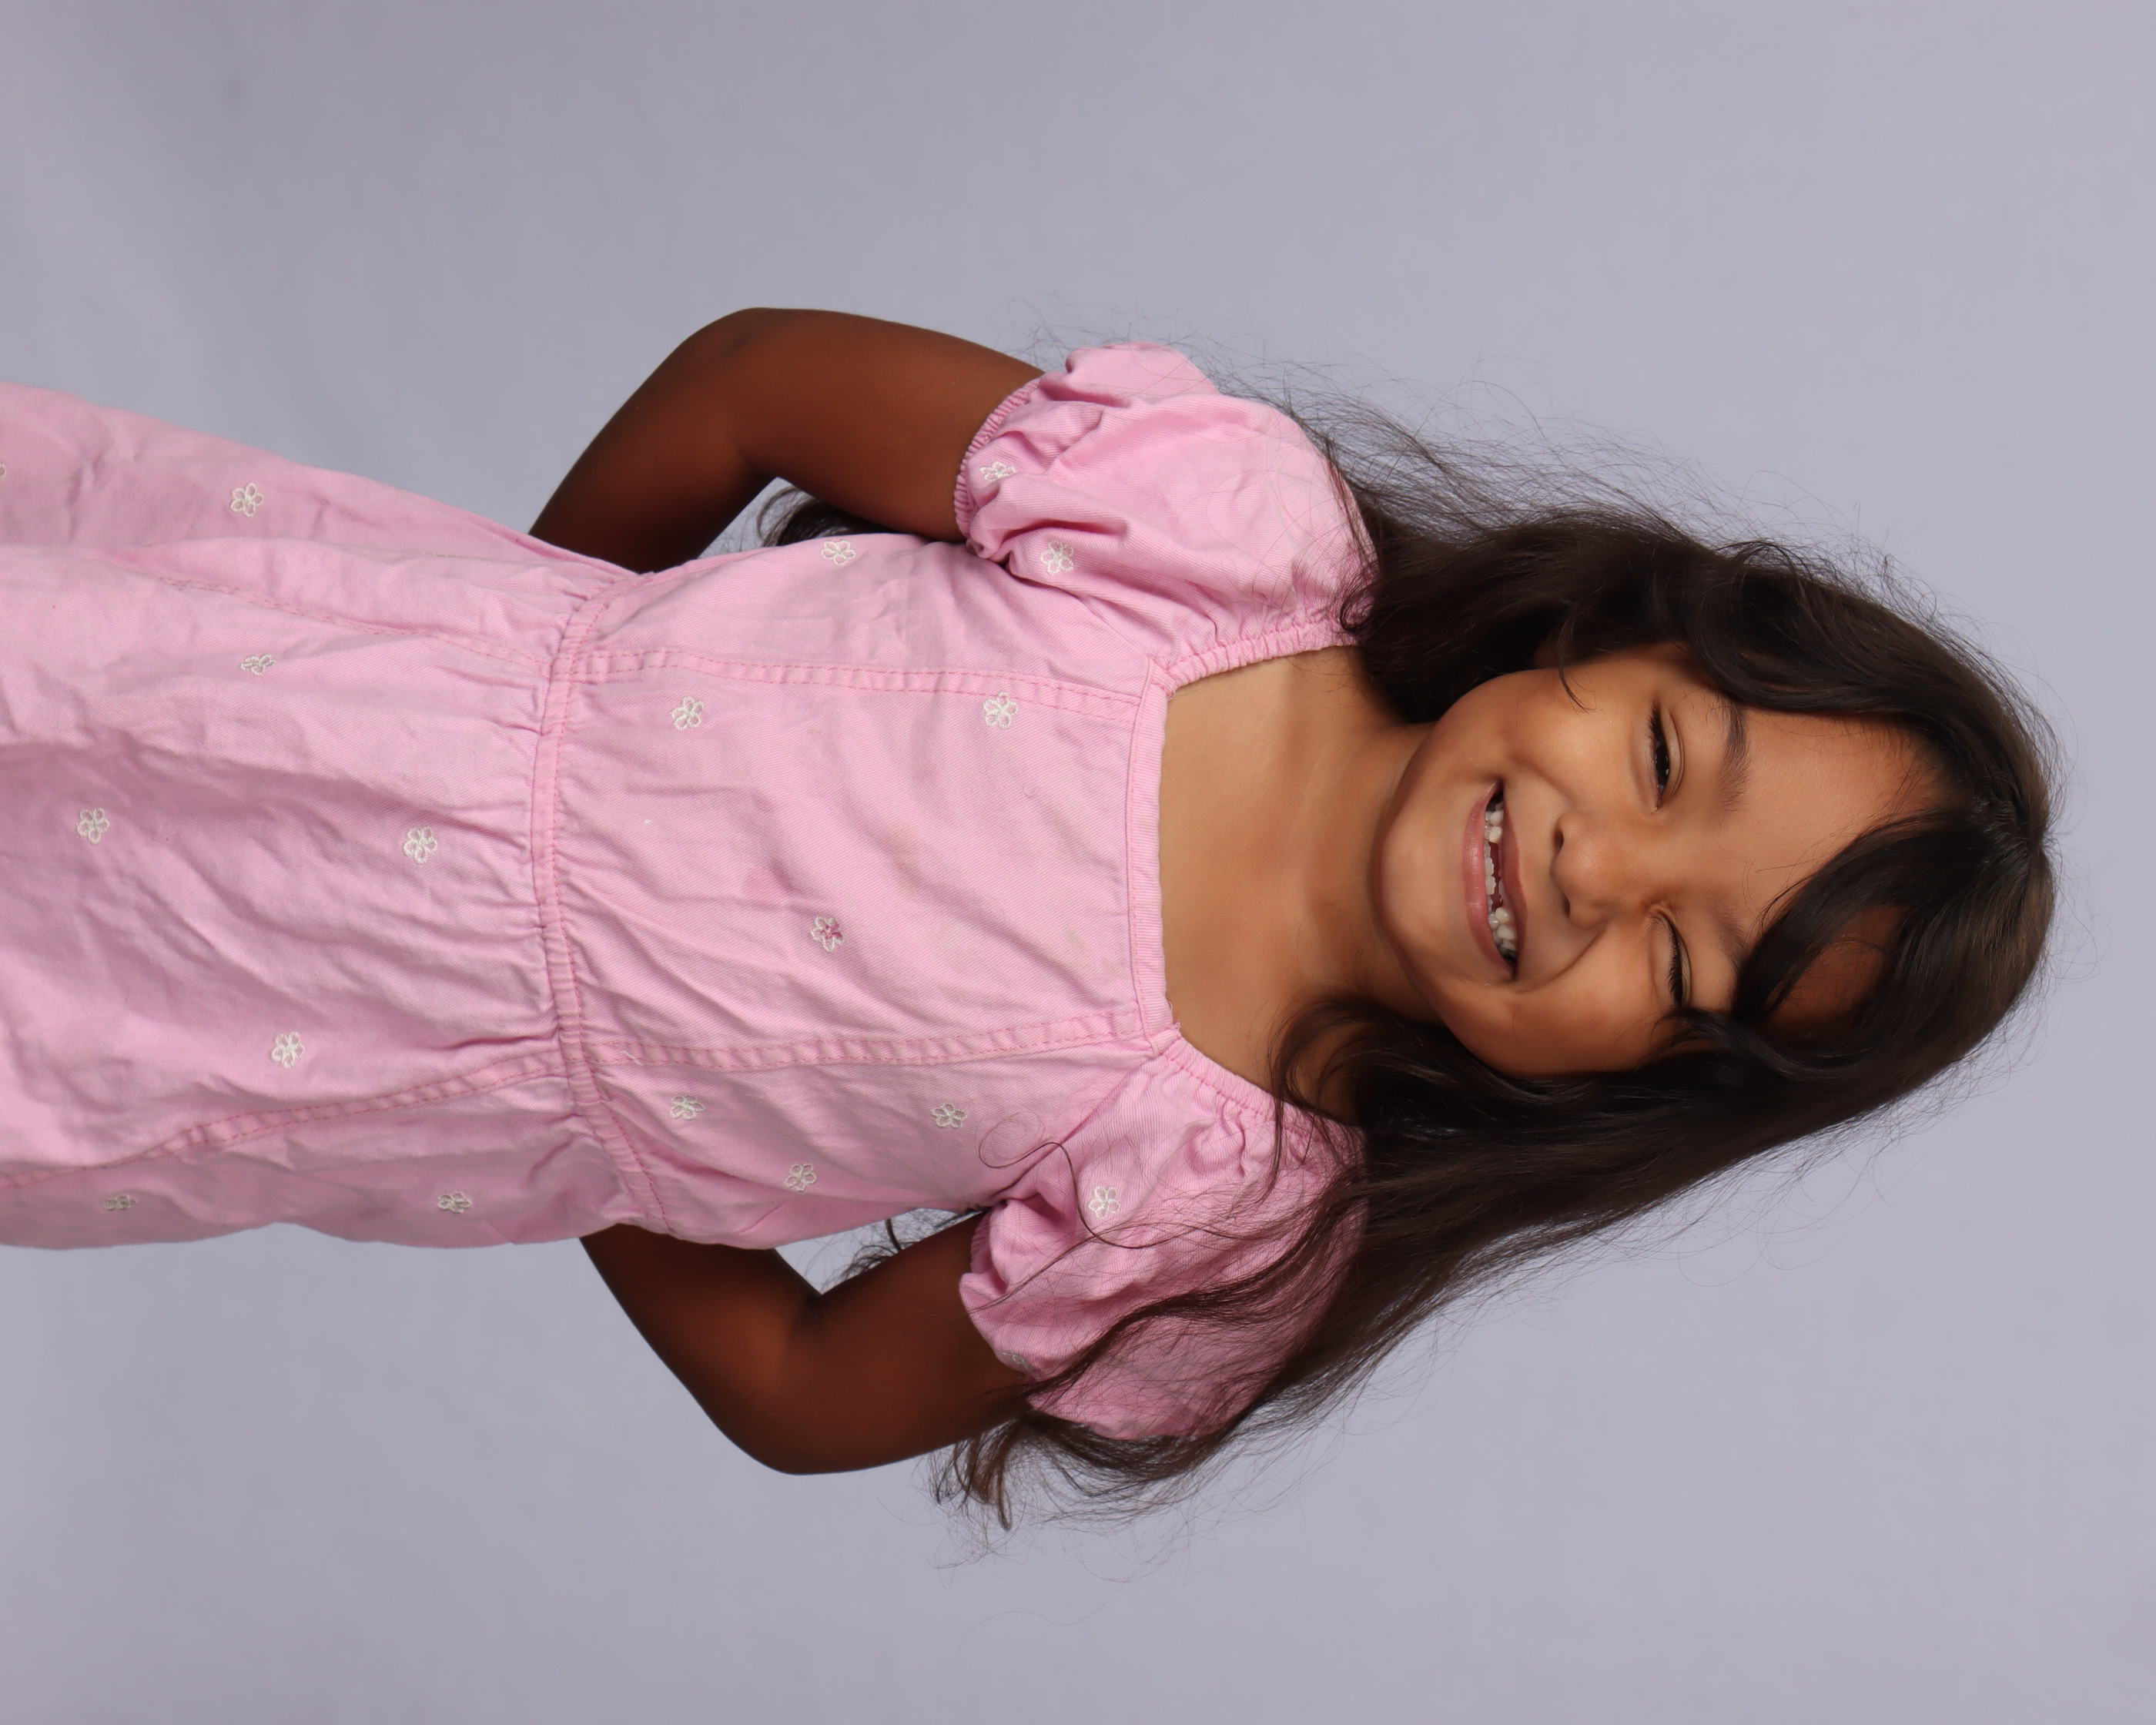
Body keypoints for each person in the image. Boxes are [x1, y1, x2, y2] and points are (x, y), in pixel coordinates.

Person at [0, 310, 2054, 1521]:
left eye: (1681, 962)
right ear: (1621, 632)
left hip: (325, 1043)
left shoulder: (1219, 1203)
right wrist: (536, 651)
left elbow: (808, 1396)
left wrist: (591, 1114)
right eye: (1669, 762)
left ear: (1633, 1089)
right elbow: (757, 382)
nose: (1600, 870)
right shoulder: (1220, 540)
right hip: (338, 676)